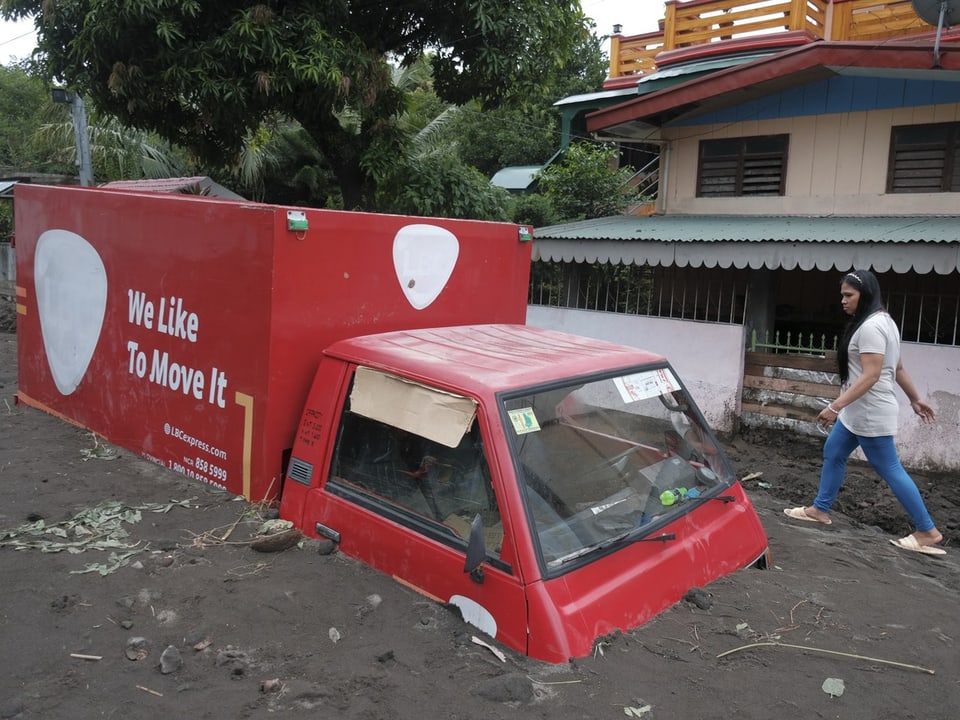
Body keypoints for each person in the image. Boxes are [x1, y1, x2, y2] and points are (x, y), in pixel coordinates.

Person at [783, 269, 945, 556]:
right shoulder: (885, 322)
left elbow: (871, 376)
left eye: (849, 295)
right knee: (834, 451)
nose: (843, 301)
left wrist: (835, 406)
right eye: (842, 295)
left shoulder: (871, 327)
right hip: (857, 413)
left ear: (865, 294)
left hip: (869, 412)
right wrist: (915, 399)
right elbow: (897, 369)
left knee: (890, 469)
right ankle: (819, 509)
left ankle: (927, 531)